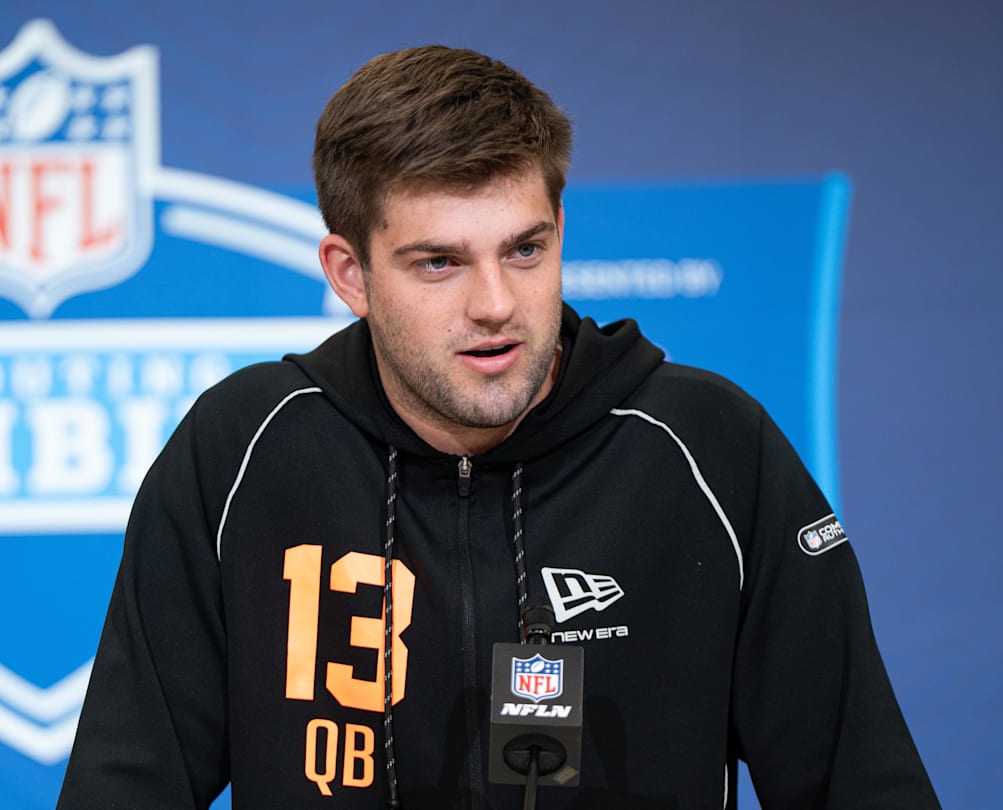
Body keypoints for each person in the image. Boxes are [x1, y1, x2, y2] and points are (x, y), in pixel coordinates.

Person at [57, 46, 938, 809]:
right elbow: (124, 786)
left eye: (525, 249)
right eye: (438, 262)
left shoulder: (708, 447)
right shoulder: (244, 451)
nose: (496, 306)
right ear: (349, 273)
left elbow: (859, 785)